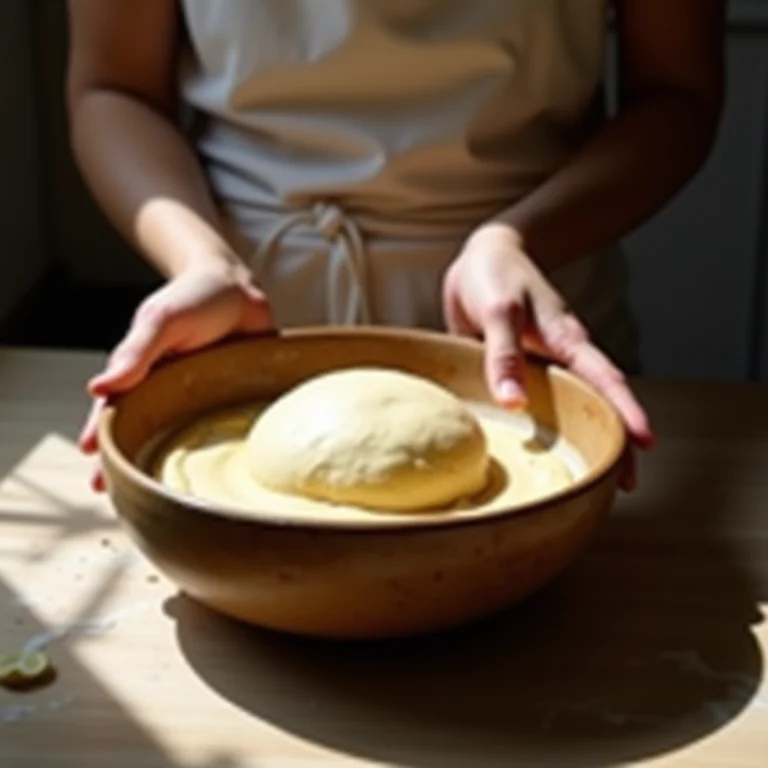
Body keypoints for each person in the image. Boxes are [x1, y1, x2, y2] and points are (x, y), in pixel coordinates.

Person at [66, 1, 724, 492]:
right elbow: (114, 87)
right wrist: (201, 260)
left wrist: (516, 238)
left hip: (526, 347)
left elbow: (678, 92)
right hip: (241, 337)